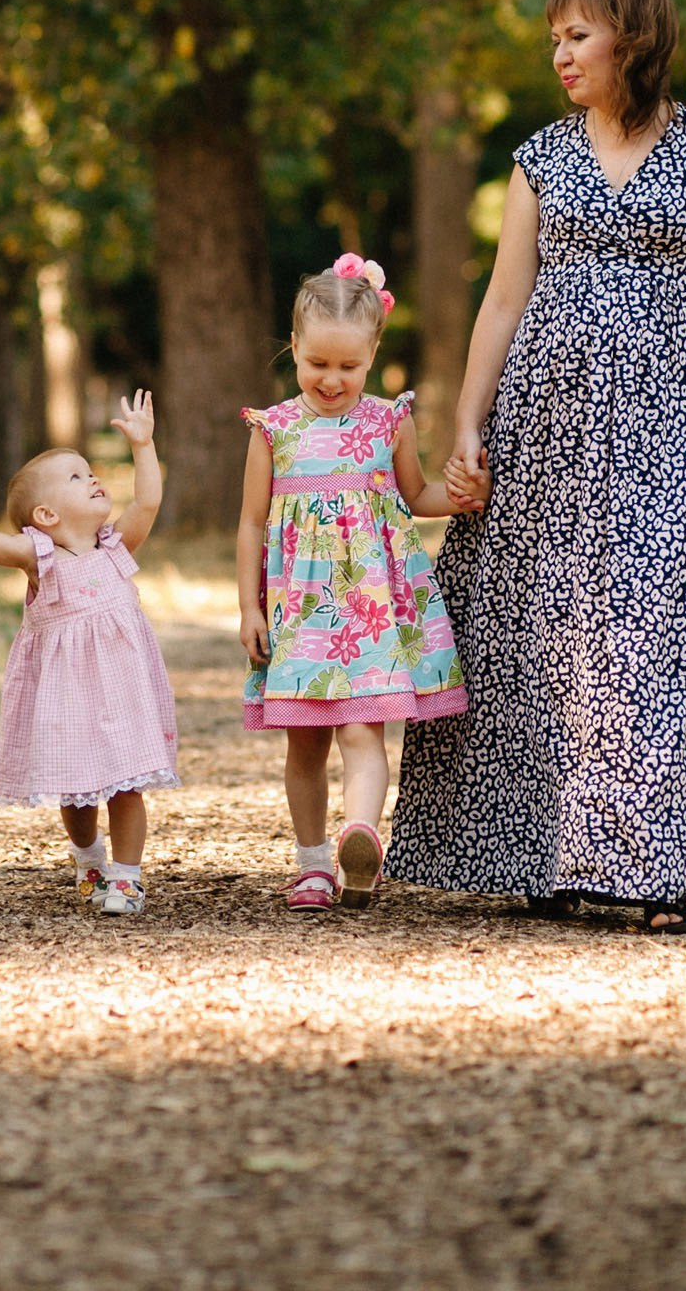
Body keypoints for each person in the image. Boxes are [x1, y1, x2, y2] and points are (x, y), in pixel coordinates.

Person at [387, 0, 686, 935]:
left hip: (676, 424)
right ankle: (546, 854)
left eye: (577, 36)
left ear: (632, 41)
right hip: (544, 425)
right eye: (555, 38)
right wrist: (468, 421)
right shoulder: (541, 159)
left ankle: (648, 871)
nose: (559, 54)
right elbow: (505, 297)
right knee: (533, 637)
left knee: (648, 634)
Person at [237, 257, 469, 913]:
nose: (332, 380)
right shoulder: (274, 429)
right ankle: (313, 865)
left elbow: (416, 494)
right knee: (305, 741)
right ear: (294, 349)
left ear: (373, 355)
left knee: (364, 731)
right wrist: (248, 608)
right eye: (317, 364)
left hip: (368, 607)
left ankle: (359, 838)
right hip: (301, 610)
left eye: (348, 367)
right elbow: (252, 522)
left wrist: (461, 497)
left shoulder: (388, 421)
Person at [0, 391, 178, 916]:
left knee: (128, 784)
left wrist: (143, 446)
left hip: (122, 692)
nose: (93, 478)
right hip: (69, 695)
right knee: (76, 794)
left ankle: (127, 876)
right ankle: (87, 854)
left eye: (90, 471)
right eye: (77, 477)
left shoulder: (116, 546)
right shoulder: (39, 556)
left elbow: (147, 502)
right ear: (46, 514)